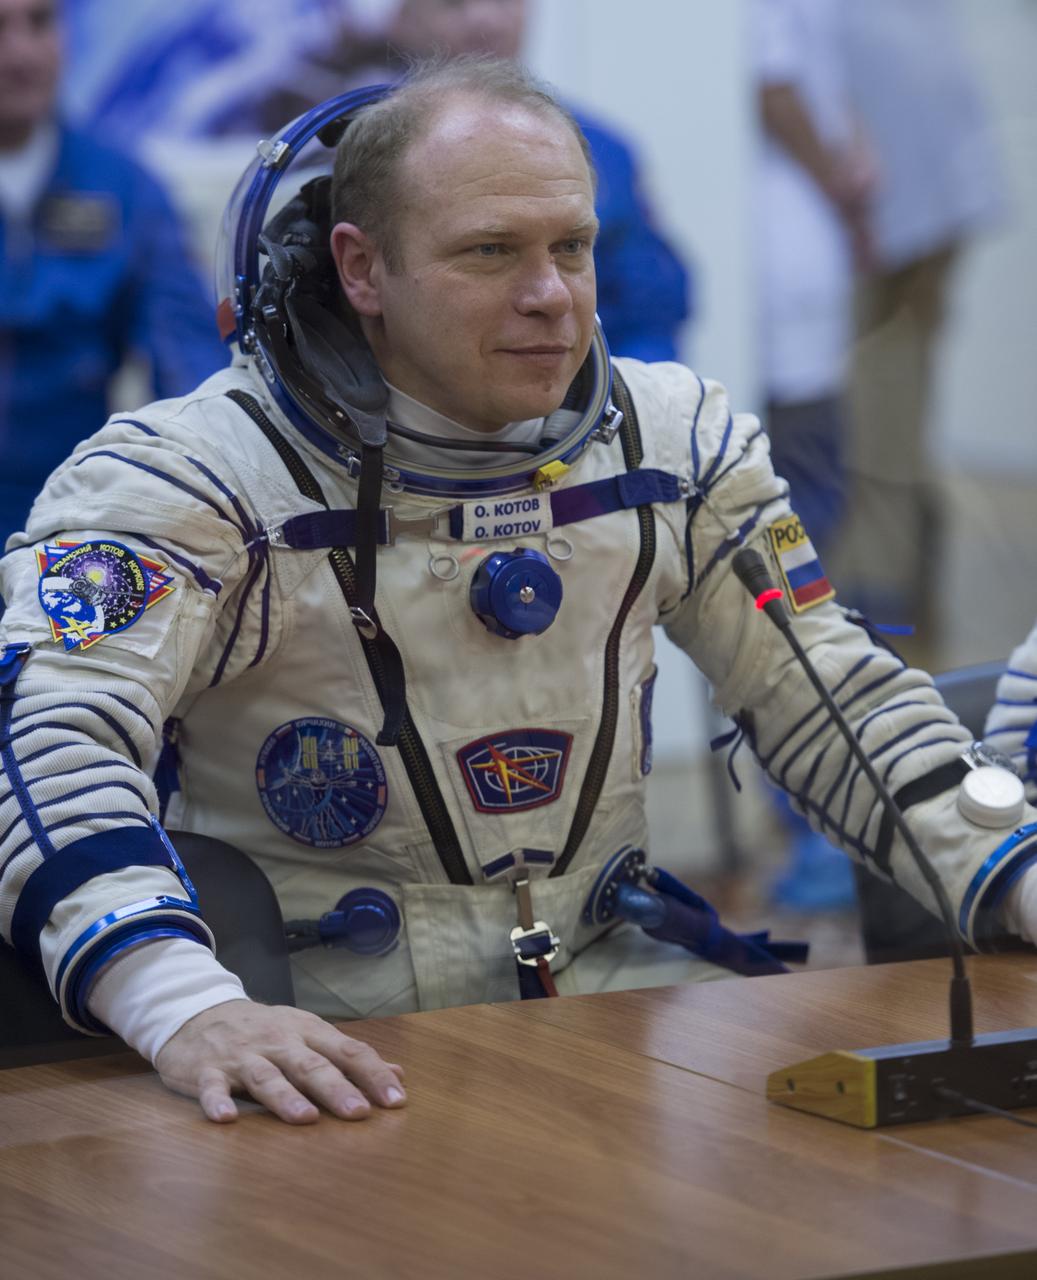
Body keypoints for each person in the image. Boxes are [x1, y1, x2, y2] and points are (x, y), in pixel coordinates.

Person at [1, 60, 1035, 1128]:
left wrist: (1015, 875)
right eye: (490, 251)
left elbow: (831, 695)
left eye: (571, 248)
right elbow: (45, 745)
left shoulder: (674, 443)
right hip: (320, 1044)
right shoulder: (188, 482)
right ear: (360, 268)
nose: (550, 295)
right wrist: (183, 1003)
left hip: (620, 998)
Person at [0, 0, 227, 547]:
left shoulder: (124, 190)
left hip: (66, 522)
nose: (21, 54)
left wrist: (199, 495)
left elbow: (188, 368)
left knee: (76, 631)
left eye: (40, 23)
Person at [833, 0, 1007, 655]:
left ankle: (890, 633)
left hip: (899, 217)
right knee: (887, 418)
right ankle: (898, 624)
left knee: (881, 420)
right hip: (916, 203)